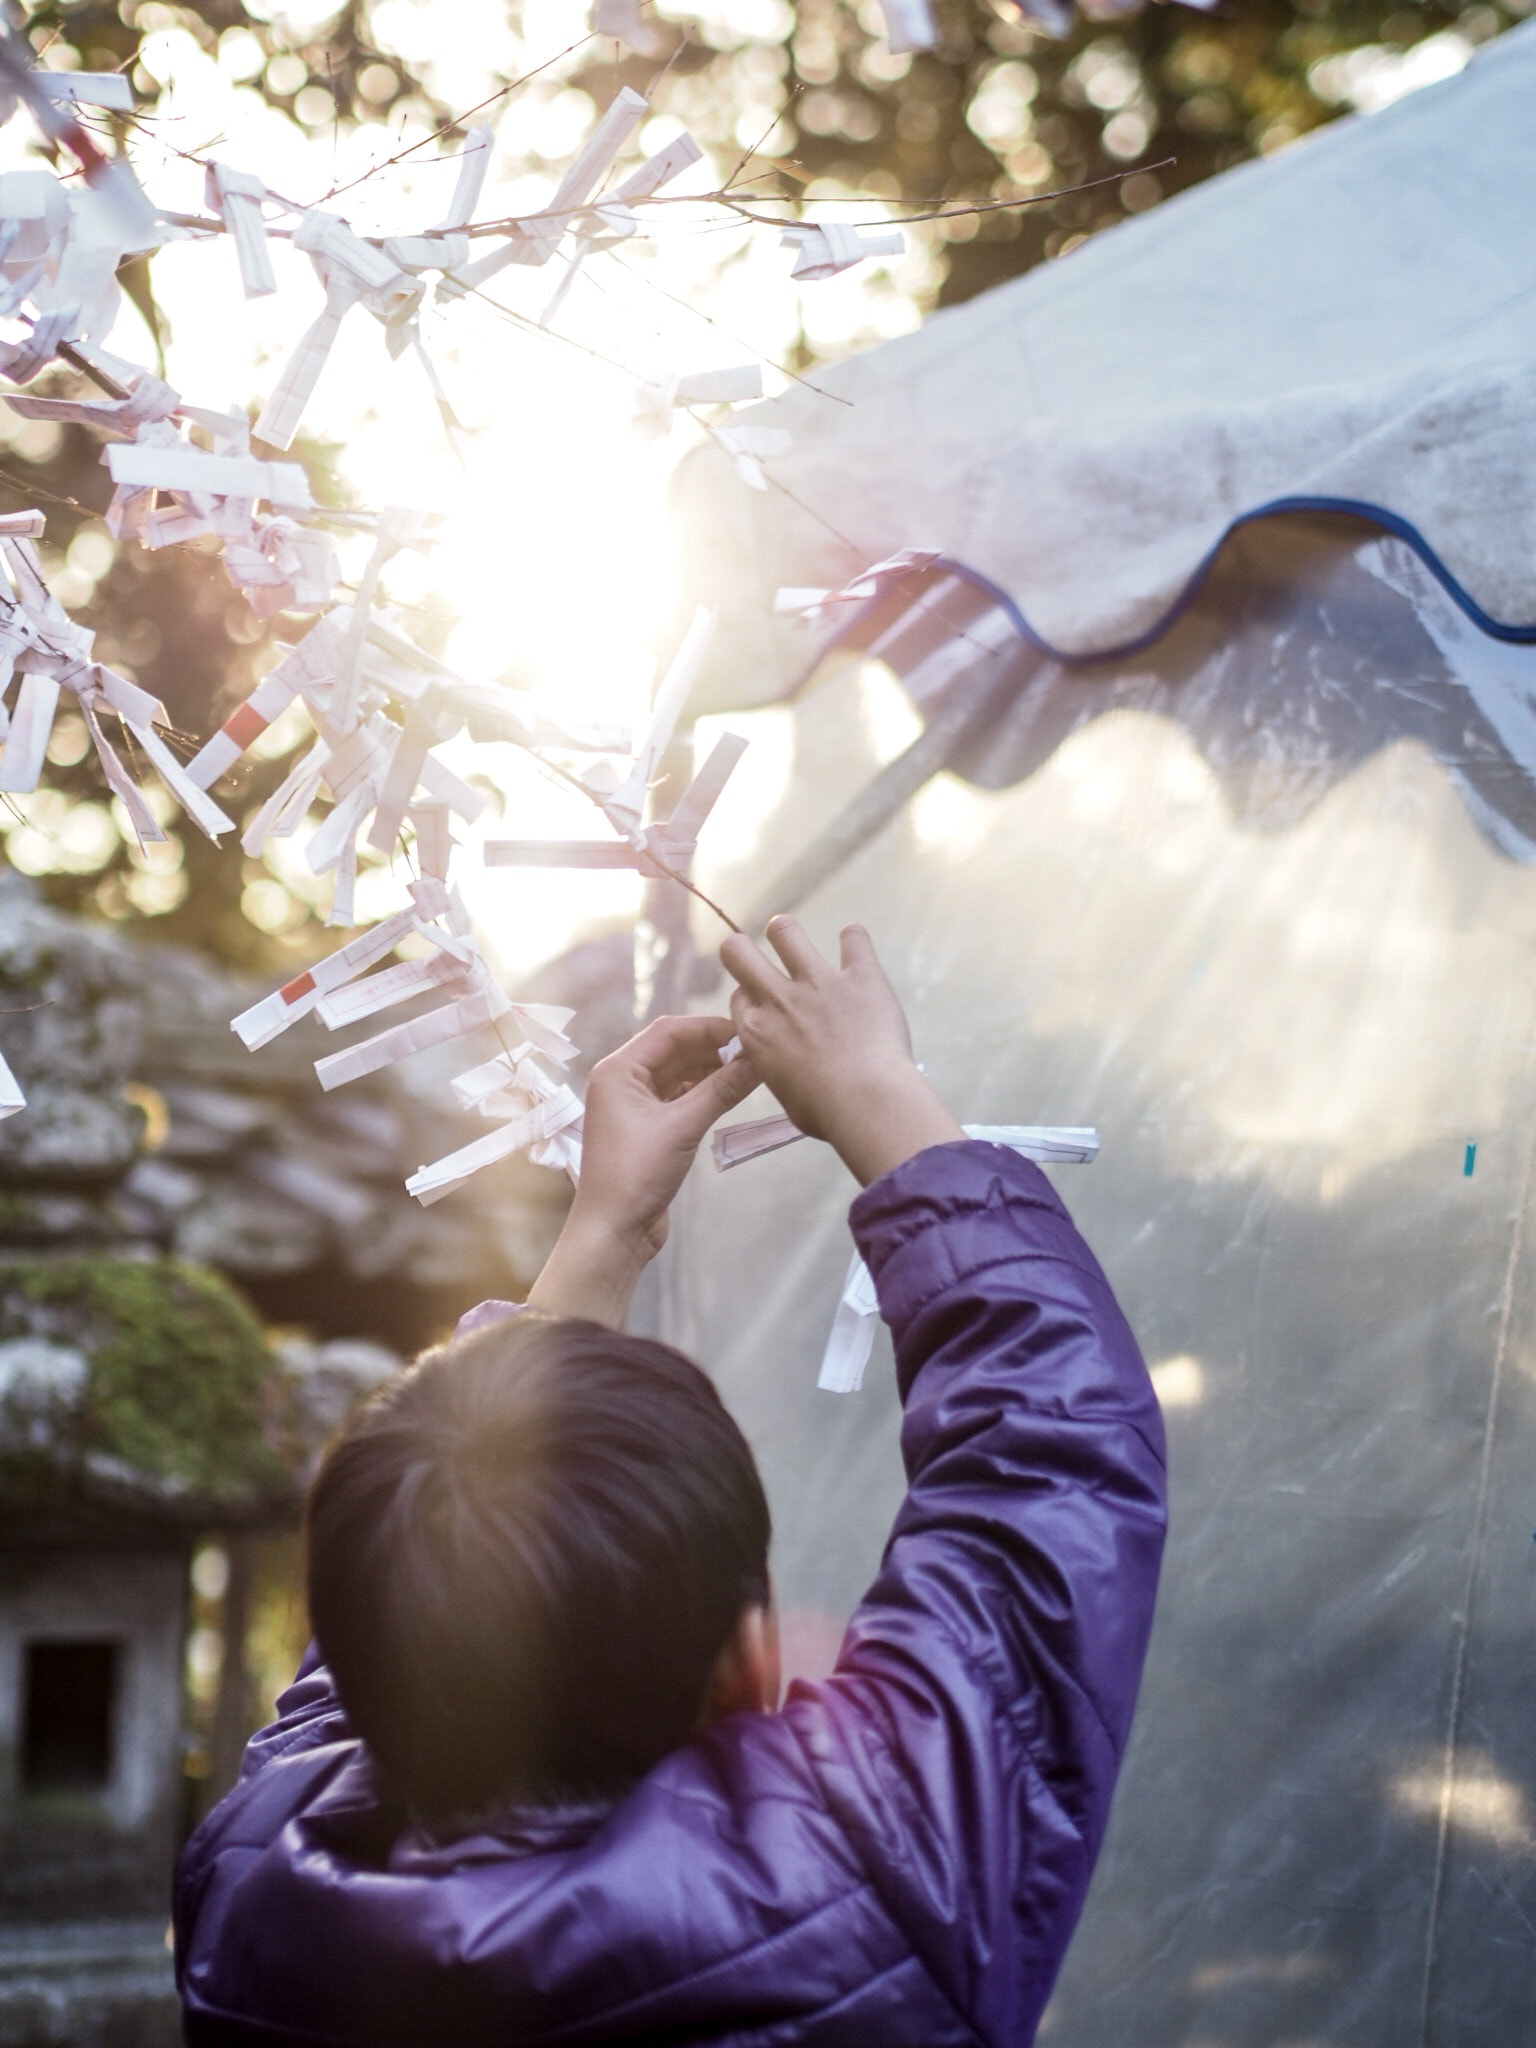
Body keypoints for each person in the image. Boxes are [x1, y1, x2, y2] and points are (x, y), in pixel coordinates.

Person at [175, 916, 1167, 2048]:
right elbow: (1050, 1458)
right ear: (749, 1665)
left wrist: (609, 1226)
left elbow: (414, 1602)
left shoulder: (253, 1894)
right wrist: (884, 1098)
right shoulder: (874, 1885)